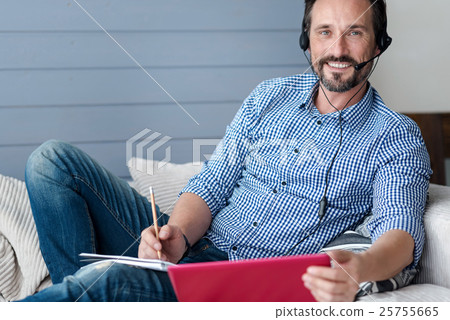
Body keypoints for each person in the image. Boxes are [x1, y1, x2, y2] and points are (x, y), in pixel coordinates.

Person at [20, 0, 431, 302]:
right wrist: (176, 236)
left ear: (378, 45)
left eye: (354, 32)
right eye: (325, 31)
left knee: (110, 283)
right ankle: (70, 302)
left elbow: (400, 234)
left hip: (239, 278)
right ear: (307, 41)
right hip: (196, 246)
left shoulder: (395, 135)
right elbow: (214, 182)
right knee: (52, 162)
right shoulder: (269, 96)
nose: (337, 49)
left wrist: (357, 267)